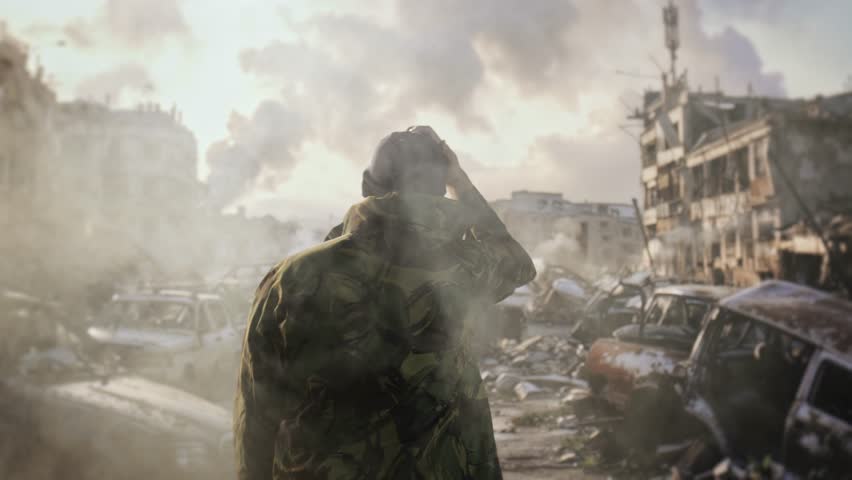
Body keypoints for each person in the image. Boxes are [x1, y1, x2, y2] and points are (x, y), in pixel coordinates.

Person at [234, 126, 536, 480]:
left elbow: (256, 415)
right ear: (442, 190)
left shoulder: (293, 277)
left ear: (366, 186)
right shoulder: (465, 269)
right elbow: (517, 262)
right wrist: (462, 185)